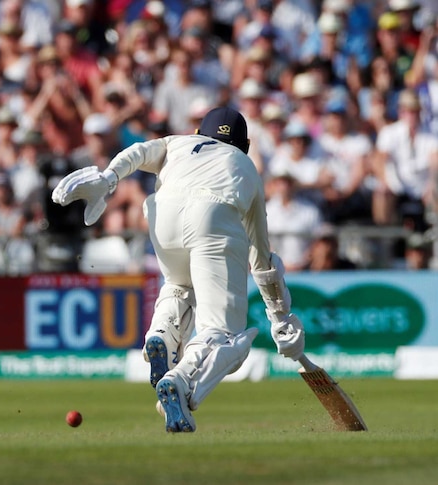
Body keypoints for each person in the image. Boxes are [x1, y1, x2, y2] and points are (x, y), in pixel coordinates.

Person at [52, 107, 306, 433]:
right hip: (212, 218)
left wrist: (109, 176)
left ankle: (162, 334)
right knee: (226, 334)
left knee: (178, 285)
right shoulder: (246, 167)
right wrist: (281, 317)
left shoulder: (179, 143)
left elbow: (140, 152)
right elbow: (261, 259)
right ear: (244, 145)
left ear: (200, 133)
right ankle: (181, 380)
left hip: (162, 217)